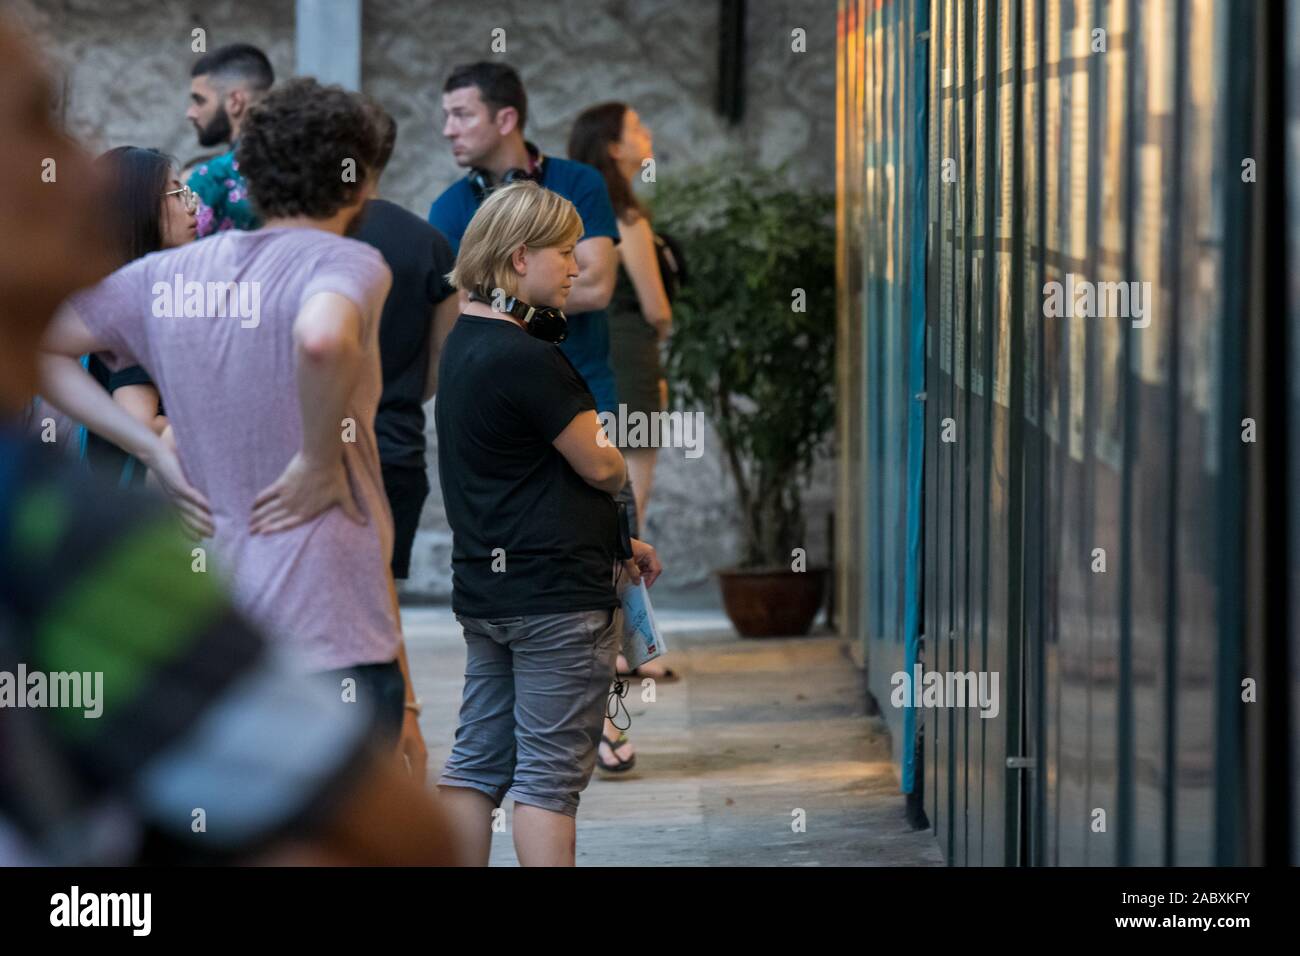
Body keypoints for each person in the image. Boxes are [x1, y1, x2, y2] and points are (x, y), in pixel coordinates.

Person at [0, 14, 454, 866]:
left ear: (245, 170)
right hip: (328, 624)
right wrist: (319, 459)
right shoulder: (344, 264)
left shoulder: (163, 276)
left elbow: (57, 338)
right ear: (358, 185)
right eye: (36, 123)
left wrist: (154, 451)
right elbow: (323, 339)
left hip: (226, 596)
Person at [434, 180, 662, 866]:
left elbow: (522, 474)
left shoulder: (464, 344)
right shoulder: (531, 357)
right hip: (556, 600)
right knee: (548, 782)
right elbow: (598, 465)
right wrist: (616, 464)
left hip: (489, 593)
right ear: (519, 257)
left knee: (474, 766)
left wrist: (620, 539)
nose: (577, 267)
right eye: (564, 252)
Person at [568, 102, 685, 772]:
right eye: (636, 129)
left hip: (609, 368)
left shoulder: (583, 215)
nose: (646, 138)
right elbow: (657, 307)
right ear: (613, 149)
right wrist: (664, 335)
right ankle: (633, 646)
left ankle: (630, 645)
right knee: (630, 509)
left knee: (621, 511)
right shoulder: (628, 219)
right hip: (634, 363)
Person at [353, 99, 459, 583]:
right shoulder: (428, 243)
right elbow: (442, 358)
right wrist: (394, 393)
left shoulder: (303, 239)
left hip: (310, 455)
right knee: (382, 607)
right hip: (397, 448)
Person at [82, 146, 197, 486]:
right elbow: (138, 422)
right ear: (139, 209)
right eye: (178, 194)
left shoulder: (113, 289)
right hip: (137, 504)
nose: (192, 205)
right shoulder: (138, 303)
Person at [184, 42, 273, 235]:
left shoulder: (211, 178)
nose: (190, 113)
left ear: (235, 101)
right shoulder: (304, 169)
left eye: (200, 100)